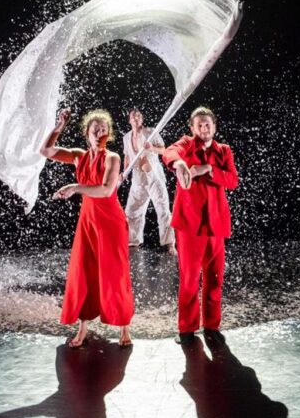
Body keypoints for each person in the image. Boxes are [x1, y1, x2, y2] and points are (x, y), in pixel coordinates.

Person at [40, 108, 134, 347]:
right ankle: (82, 328)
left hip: (110, 223)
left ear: (109, 134)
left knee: (115, 275)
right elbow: (46, 151)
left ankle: (124, 328)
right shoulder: (79, 156)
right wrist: (59, 128)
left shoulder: (112, 158)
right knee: (83, 274)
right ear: (87, 134)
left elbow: (105, 190)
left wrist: (76, 187)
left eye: (104, 130)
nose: (100, 133)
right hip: (88, 223)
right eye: (95, 130)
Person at [163, 107, 238, 345]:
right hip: (190, 225)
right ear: (192, 128)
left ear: (214, 126)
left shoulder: (223, 151)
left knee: (215, 278)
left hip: (216, 225)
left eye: (208, 125)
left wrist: (208, 170)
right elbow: (169, 152)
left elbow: (232, 180)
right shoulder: (186, 145)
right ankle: (187, 329)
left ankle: (212, 326)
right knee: (190, 278)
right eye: (200, 125)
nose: (204, 129)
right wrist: (180, 166)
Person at [122, 107, 177, 255]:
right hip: (138, 179)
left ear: (142, 118)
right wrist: (124, 172)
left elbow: (164, 150)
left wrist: (151, 147)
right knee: (132, 211)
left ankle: (169, 243)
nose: (136, 117)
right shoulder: (126, 137)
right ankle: (133, 242)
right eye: (133, 115)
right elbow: (127, 156)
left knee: (163, 209)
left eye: (139, 115)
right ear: (129, 119)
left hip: (153, 176)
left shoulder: (151, 132)